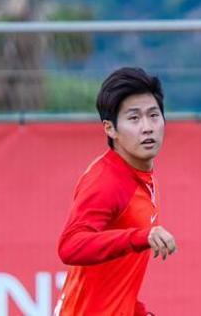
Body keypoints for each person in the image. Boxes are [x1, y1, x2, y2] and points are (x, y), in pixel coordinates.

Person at [54, 67, 176, 316]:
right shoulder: (106, 181)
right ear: (109, 128)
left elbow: (115, 279)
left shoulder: (142, 173)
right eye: (134, 118)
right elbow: (70, 246)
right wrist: (140, 237)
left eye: (153, 115)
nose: (147, 127)